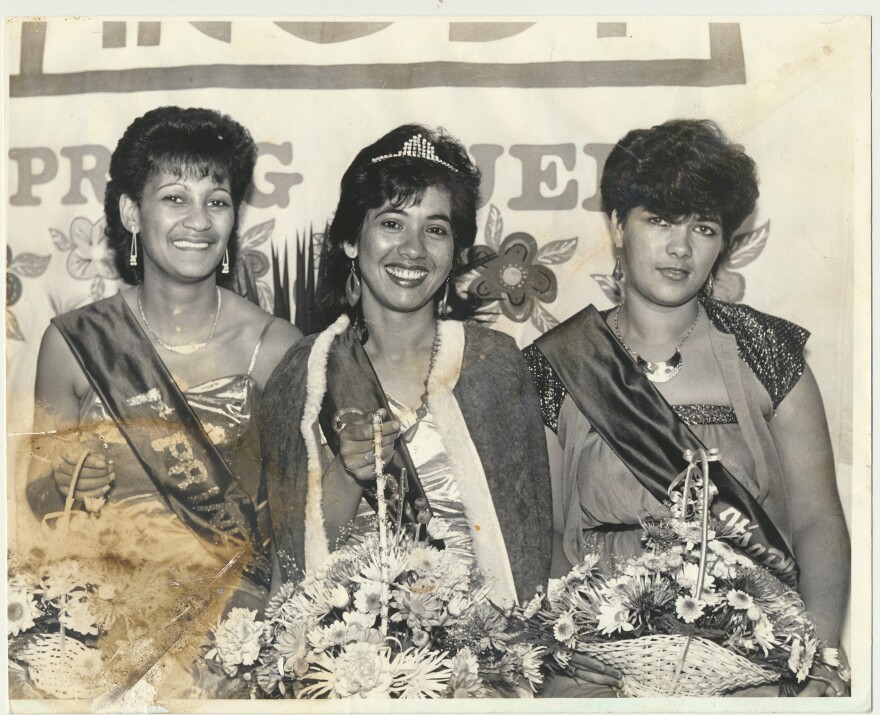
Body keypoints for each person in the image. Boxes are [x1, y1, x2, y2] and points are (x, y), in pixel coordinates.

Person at [523, 119, 850, 697]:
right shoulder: (559, 363)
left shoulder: (766, 353)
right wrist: (559, 641)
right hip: (597, 652)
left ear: (724, 242)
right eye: (659, 220)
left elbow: (817, 521)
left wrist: (819, 653)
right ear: (618, 226)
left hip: (752, 650)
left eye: (703, 227)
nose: (680, 248)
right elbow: (542, 533)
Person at [24, 106, 302, 700]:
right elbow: (36, 503)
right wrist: (69, 483)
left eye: (217, 200)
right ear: (131, 212)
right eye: (175, 198)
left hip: (234, 641)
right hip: (96, 634)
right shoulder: (73, 345)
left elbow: (297, 521)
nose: (198, 221)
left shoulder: (275, 349)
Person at [260, 124, 552, 620]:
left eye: (435, 229)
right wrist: (350, 474)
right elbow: (289, 563)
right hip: (341, 657)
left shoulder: (495, 363)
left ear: (457, 254)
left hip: (483, 657)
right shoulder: (305, 372)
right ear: (352, 240)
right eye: (392, 223)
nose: (413, 248)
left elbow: (532, 544)